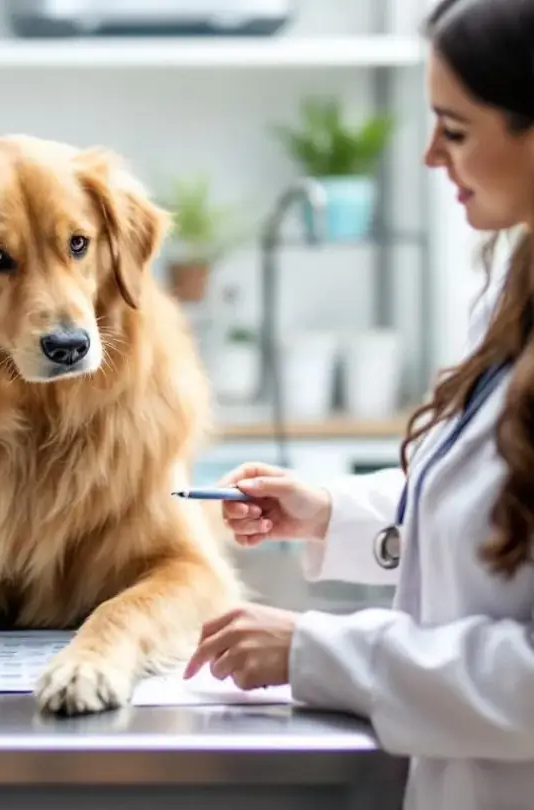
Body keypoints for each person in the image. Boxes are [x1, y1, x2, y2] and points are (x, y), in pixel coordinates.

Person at [184, 1, 534, 808]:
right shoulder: (514, 296)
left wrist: (318, 650)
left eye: (453, 129)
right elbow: (505, 517)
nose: (427, 156)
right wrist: (335, 513)